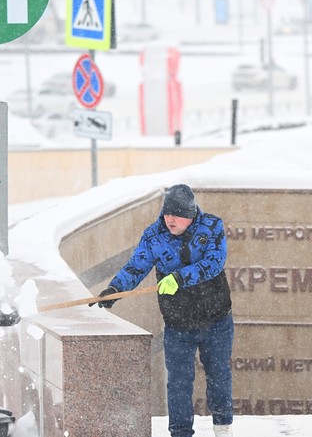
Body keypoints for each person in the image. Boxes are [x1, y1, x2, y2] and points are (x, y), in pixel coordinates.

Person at [91, 184, 234, 437]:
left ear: (191, 214)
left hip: (216, 319)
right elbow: (137, 266)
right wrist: (115, 289)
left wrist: (179, 278)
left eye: (177, 214)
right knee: (179, 383)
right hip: (178, 322)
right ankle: (180, 433)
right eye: (167, 213)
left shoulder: (212, 227)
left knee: (218, 375)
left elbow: (214, 263)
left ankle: (223, 429)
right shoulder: (154, 235)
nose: (170, 219)